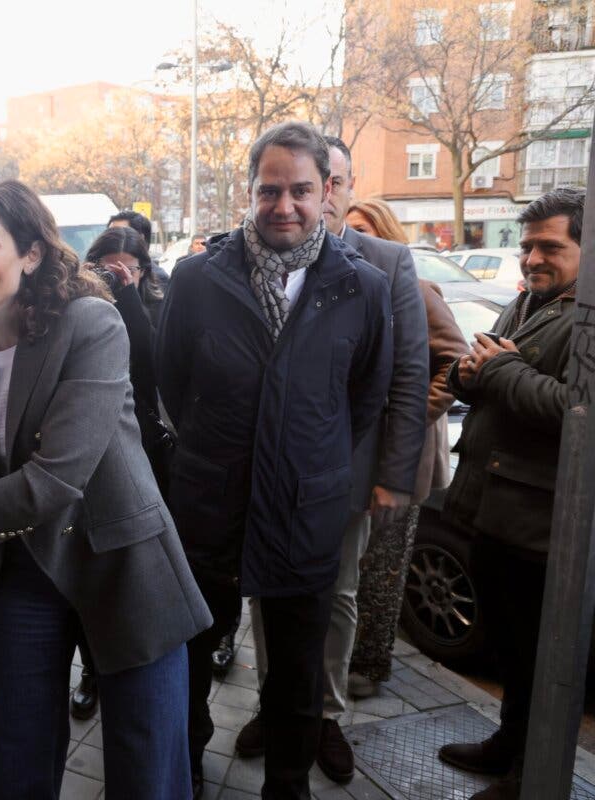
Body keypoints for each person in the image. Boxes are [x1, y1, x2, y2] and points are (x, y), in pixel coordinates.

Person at [0, 179, 210, 800]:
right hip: (28, 560)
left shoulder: (91, 323)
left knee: (145, 767)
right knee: (18, 762)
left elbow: (54, 477)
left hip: (123, 559)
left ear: (31, 253)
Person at [157, 121, 393, 800]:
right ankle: (186, 771)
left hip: (304, 513)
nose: (283, 205)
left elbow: (363, 396)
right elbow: (172, 384)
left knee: (295, 675)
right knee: (191, 662)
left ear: (327, 193)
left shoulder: (363, 289)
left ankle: (288, 785)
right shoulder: (197, 278)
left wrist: (305, 459)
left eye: (300, 190)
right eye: (269, 189)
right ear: (250, 191)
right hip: (210, 507)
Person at [238, 135, 428, 784]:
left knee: (336, 595)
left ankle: (325, 714)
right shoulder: (257, 263)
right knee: (273, 599)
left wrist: (389, 474)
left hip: (343, 471)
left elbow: (400, 377)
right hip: (269, 477)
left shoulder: (386, 266)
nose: (303, 201)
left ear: (336, 188)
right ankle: (279, 704)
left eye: (330, 184)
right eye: (276, 188)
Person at [437, 187, 583, 800]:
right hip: (492, 510)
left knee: (539, 658)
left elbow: (576, 410)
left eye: (550, 246)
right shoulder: (532, 301)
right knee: (508, 647)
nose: (531, 258)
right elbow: (489, 369)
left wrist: (496, 370)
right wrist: (467, 374)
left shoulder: (588, 316)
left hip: (540, 526)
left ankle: (532, 777)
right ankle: (508, 744)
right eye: (526, 246)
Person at [342, 200, 468, 699]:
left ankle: (370, 665)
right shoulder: (347, 288)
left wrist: (410, 414)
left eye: (360, 230)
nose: (349, 240)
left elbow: (454, 361)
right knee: (352, 569)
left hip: (402, 453)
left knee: (383, 568)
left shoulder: (413, 288)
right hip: (359, 452)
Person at [68, 225, 172, 721]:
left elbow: (150, 365)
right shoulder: (75, 302)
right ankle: (92, 667)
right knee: (91, 566)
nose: (121, 273)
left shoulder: (157, 299)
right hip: (88, 454)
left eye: (131, 267)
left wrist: (128, 295)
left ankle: (134, 663)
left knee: (139, 568)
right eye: (111, 266)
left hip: (145, 452)